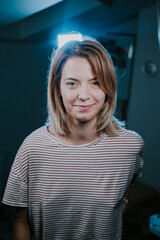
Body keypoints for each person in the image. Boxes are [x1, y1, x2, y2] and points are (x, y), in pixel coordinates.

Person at [2, 36, 144, 240]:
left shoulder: (130, 146)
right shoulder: (33, 148)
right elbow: (20, 221)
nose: (84, 95)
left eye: (95, 83)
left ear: (108, 88)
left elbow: (129, 180)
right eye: (72, 83)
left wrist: (122, 203)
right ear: (57, 88)